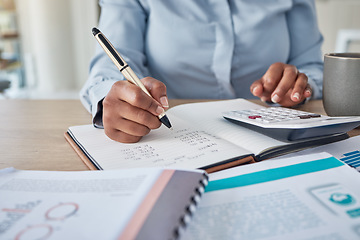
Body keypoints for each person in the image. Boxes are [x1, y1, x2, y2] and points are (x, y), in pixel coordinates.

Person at [80, 0, 324, 143]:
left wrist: (299, 85)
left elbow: (312, 66)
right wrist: (113, 97)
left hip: (272, 134)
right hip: (170, 134)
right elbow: (110, 65)